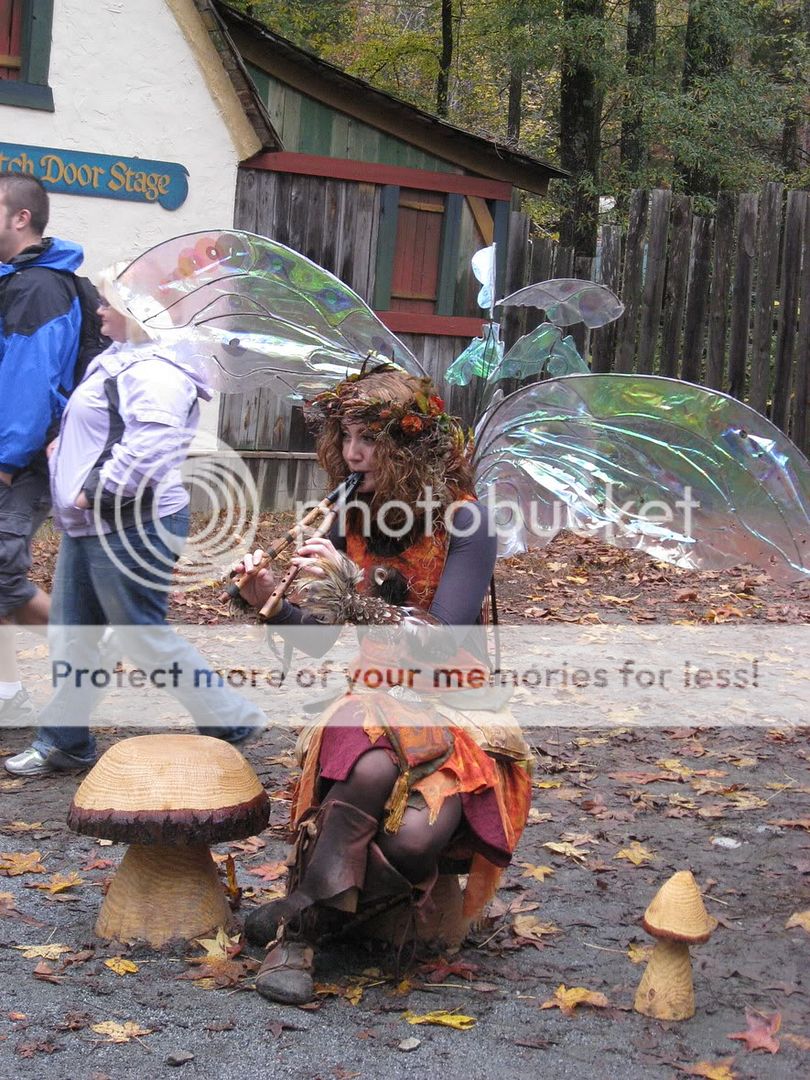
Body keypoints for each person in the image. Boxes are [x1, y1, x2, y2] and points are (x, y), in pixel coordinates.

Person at [236, 364, 533, 1004]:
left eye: (369, 439)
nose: (352, 454)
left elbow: (443, 637)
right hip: (375, 693)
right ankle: (298, 939)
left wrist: (352, 590)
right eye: (345, 437)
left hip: (455, 702)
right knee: (370, 769)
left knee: (416, 841)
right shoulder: (347, 514)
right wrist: (266, 601)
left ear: (408, 446)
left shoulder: (467, 523)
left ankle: (298, 908)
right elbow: (318, 639)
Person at [5, 269, 265, 777]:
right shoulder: (122, 358)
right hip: (92, 524)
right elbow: (108, 426)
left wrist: (94, 490)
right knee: (75, 635)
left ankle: (231, 719)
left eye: (108, 303)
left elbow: (151, 446)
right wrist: (64, 445)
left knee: (139, 636)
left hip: (131, 523)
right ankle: (64, 741)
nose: (99, 310)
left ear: (140, 312)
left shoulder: (156, 371)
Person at [0, 175, 85, 724]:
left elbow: (29, 387)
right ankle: (7, 691)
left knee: (2, 577)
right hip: (15, 455)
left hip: (22, 461)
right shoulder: (18, 281)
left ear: (20, 218)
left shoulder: (39, 288)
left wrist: (5, 463)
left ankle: (88, 650)